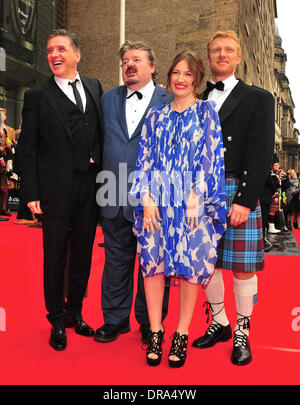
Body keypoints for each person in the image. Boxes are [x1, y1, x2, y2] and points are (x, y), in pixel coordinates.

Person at [129, 50, 226, 368]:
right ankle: (156, 331)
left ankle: (181, 332)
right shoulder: (155, 116)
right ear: (167, 76)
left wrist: (199, 195)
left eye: (187, 73)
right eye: (175, 72)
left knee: (188, 268)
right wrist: (145, 197)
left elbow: (211, 155)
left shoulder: (206, 112)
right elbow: (144, 158)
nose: (180, 79)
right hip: (157, 205)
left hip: (192, 207)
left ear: (197, 78)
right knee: (152, 265)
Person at [192, 31, 274, 366]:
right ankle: (221, 322)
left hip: (236, 188)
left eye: (228, 50)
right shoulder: (197, 99)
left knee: (241, 269)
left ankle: (242, 330)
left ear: (238, 57)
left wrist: (244, 199)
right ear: (208, 57)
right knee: (205, 264)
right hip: (201, 191)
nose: (222, 55)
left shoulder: (259, 98)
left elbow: (260, 152)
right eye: (216, 50)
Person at [20, 29, 104, 351]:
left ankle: (75, 314)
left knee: (82, 254)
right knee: (54, 256)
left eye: (60, 49)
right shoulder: (37, 96)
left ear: (76, 55)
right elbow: (28, 149)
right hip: (54, 188)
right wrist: (31, 192)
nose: (54, 55)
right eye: (49, 50)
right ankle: (56, 320)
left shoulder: (95, 86)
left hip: (90, 185)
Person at [95, 41, 172, 345]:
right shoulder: (106, 99)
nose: (129, 64)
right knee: (115, 259)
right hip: (111, 191)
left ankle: (149, 321)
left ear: (152, 67)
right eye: (125, 60)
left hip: (155, 197)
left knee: (153, 264)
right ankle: (114, 319)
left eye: (136, 60)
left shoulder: (169, 99)